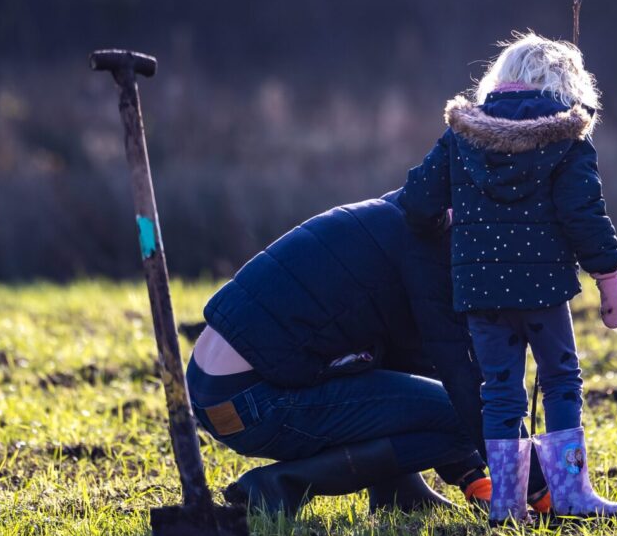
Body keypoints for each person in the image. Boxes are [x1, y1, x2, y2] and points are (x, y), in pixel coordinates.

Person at [401, 32, 617, 523]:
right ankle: (570, 493)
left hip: (480, 294)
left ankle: (507, 505)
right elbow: (583, 213)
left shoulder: (462, 134)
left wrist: (448, 220)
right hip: (543, 291)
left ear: (500, 78)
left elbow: (416, 201)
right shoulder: (568, 137)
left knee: (499, 391)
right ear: (567, 83)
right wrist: (608, 276)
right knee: (561, 380)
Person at [185, 191, 498, 517]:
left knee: (393, 379)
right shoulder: (426, 253)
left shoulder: (395, 217)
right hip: (252, 400)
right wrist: (503, 480)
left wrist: (471, 475)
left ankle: (399, 491)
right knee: (466, 417)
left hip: (210, 389)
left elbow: (408, 366)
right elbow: (459, 383)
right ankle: (278, 486)